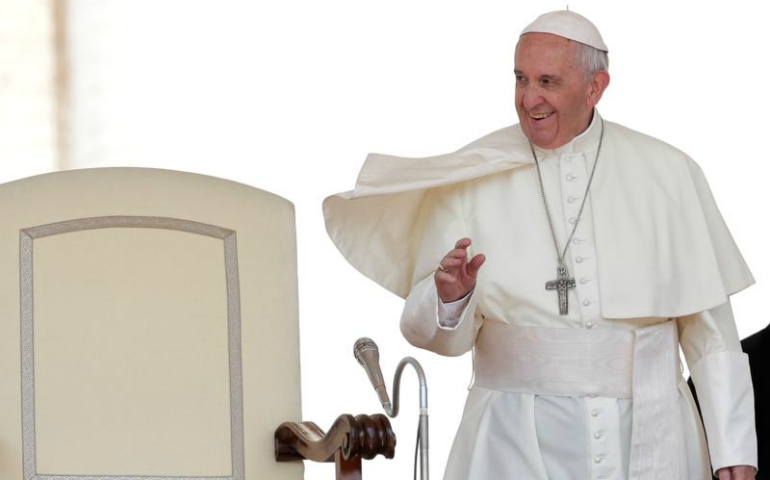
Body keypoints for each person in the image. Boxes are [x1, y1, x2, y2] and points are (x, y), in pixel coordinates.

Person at [324, 10, 757, 480]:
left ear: (595, 87)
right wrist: (450, 298)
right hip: (511, 439)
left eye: (548, 81)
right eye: (520, 79)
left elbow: (711, 329)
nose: (530, 99)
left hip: (651, 432)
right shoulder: (474, 175)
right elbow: (433, 334)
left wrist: (734, 447)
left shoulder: (669, 172)